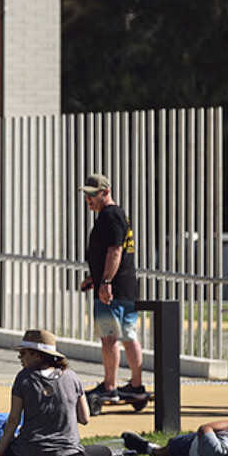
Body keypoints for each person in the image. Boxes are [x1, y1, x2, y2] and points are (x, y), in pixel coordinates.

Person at [0, 329, 116, 456]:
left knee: (12, 452)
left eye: (23, 353)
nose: (19, 358)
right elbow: (85, 419)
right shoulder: (72, 377)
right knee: (103, 451)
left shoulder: (24, 378)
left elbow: (13, 421)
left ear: (38, 355)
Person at [77, 173, 145, 404]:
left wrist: (105, 282)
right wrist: (94, 278)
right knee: (128, 336)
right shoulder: (115, 216)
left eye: (92, 195)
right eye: (86, 195)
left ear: (106, 192)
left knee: (109, 338)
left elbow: (115, 251)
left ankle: (109, 386)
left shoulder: (110, 216)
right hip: (124, 287)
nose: (88, 200)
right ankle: (136, 386)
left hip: (113, 290)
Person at [122, 420, 228, 456]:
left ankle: (148, 448)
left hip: (190, 445)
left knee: (162, 453)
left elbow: (205, 428)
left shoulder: (217, 453)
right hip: (213, 438)